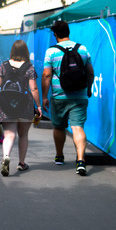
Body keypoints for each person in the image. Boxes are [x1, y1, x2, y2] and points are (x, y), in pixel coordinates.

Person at [42, 20, 95, 176]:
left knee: (59, 127)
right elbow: (90, 72)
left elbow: (46, 75)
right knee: (77, 127)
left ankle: (59, 156)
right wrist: (89, 89)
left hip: (59, 96)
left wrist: (45, 96)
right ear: (68, 32)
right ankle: (80, 161)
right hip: (79, 95)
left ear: (55, 34)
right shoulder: (83, 49)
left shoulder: (51, 52)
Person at [0, 40, 41, 176]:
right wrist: (38, 106)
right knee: (23, 134)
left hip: (6, 104)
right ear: (25, 51)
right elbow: (33, 88)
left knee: (9, 134)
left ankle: (5, 157)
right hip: (24, 105)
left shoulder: (3, 66)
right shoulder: (29, 67)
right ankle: (21, 163)